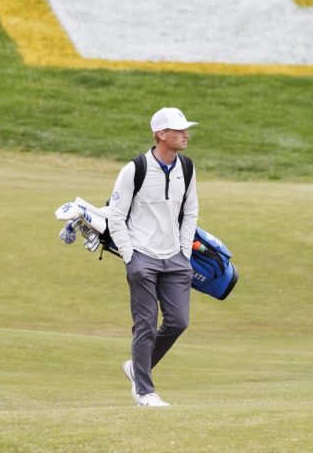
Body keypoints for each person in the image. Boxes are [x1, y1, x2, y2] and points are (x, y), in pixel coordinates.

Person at [108, 107, 200, 407]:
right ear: (161, 134)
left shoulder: (186, 167)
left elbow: (190, 212)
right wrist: (130, 257)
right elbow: (116, 217)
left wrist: (185, 254)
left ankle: (137, 368)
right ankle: (144, 392)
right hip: (142, 256)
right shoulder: (135, 169)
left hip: (175, 258)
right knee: (145, 324)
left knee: (177, 321)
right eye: (179, 129)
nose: (185, 134)